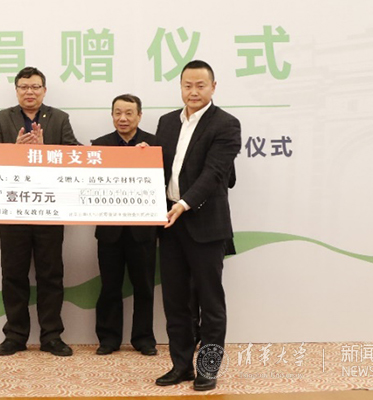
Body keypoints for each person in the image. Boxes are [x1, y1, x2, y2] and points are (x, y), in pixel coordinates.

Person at [154, 60, 241, 391]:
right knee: (175, 301)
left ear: (213, 87)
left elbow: (214, 173)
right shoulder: (166, 122)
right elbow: (161, 167)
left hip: (205, 224)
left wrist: (184, 203)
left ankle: (208, 368)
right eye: (187, 85)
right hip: (169, 224)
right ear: (180, 87)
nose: (193, 91)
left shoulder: (226, 124)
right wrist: (145, 155)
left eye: (200, 85)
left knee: (210, 302)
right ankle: (180, 366)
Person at [0, 66, 80, 357]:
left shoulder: (59, 118)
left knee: (50, 275)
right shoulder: (1, 119)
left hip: (49, 209)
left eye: (35, 87)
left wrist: (46, 150)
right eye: (24, 87)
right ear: (16, 90)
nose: (30, 92)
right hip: (12, 209)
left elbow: (76, 156)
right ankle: (15, 335)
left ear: (44, 90)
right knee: (13, 274)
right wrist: (13, 150)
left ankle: (51, 336)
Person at [91, 94, 158, 356]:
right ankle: (109, 339)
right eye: (118, 113)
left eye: (129, 113)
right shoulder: (100, 145)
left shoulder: (154, 144)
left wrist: (147, 158)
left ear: (139, 116)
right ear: (112, 115)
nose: (123, 118)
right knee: (109, 287)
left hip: (143, 230)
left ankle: (144, 339)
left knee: (144, 287)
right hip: (110, 231)